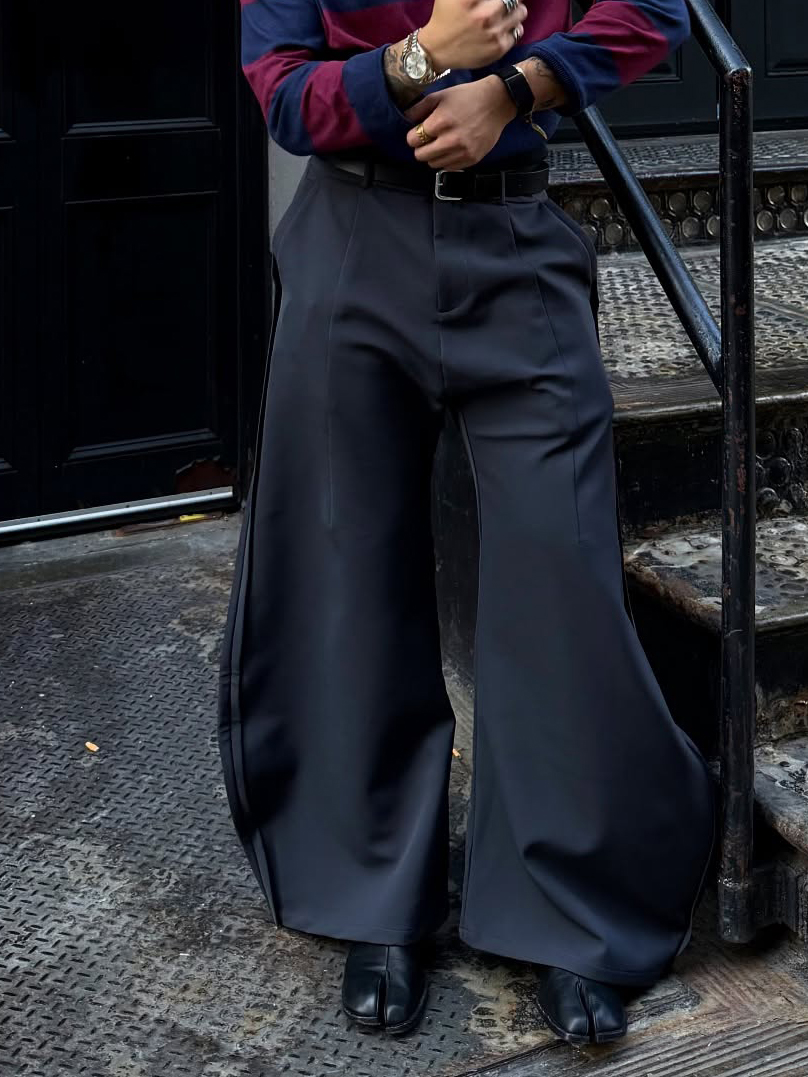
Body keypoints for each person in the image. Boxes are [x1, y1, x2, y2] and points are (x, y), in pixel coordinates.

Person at [217, 0, 716, 1047]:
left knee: (560, 577)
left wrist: (514, 88)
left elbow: (651, 12)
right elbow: (284, 94)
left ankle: (569, 907)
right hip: (353, 235)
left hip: (515, 238)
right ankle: (373, 898)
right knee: (349, 572)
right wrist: (416, 61)